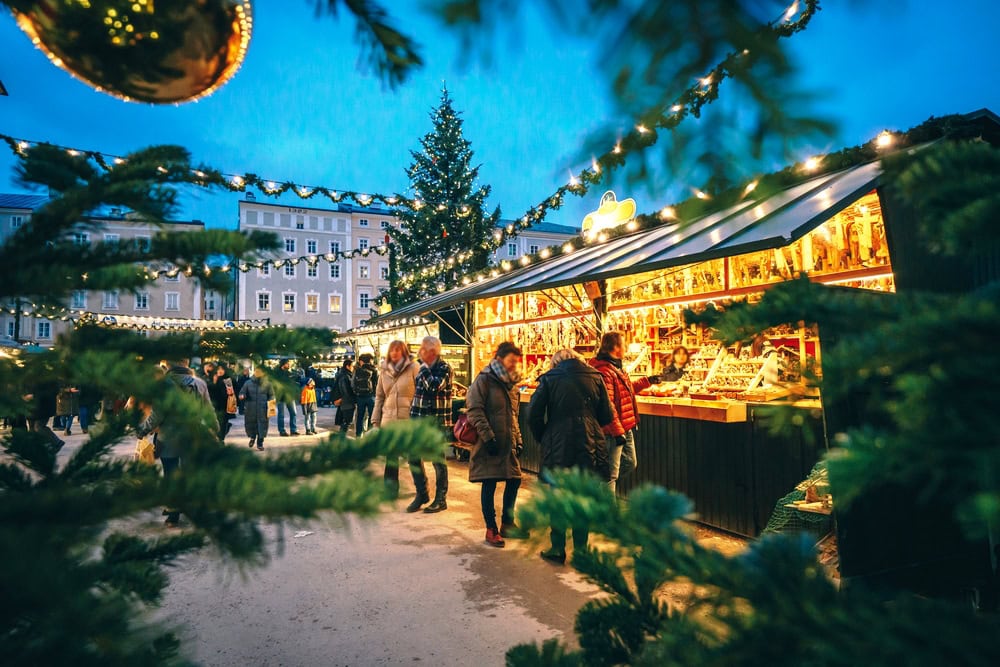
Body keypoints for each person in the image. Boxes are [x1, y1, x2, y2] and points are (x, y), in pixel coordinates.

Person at [528, 348, 614, 564]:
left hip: (558, 443)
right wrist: (590, 426)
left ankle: (557, 548)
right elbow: (607, 415)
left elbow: (532, 414)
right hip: (590, 443)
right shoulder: (595, 377)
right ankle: (582, 552)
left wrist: (544, 435)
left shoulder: (550, 379)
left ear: (555, 362)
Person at [137, 358, 212, 527]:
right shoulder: (198, 383)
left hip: (168, 437)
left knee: (171, 473)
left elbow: (158, 414)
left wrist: (143, 429)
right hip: (191, 434)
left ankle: (174, 513)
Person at [466, 342, 525, 548]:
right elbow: (474, 409)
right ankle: (491, 529)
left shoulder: (512, 385)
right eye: (511, 361)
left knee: (515, 480)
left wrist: (518, 439)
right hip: (489, 442)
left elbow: (513, 415)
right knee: (489, 482)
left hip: (508, 442)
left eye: (516, 362)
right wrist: (488, 437)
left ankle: (507, 523)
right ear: (499, 359)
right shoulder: (484, 379)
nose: (513, 365)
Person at [590, 332, 661, 495]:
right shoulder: (604, 371)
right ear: (615, 347)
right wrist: (617, 432)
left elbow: (625, 390)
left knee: (629, 462)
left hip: (624, 426)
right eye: (624, 344)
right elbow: (607, 405)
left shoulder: (616, 367)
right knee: (610, 474)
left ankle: (598, 486)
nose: (626, 347)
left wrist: (648, 381)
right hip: (612, 431)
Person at [407, 336, 453, 514]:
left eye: (422, 349)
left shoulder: (444, 368)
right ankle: (422, 493)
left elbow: (434, 386)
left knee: (437, 460)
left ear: (432, 351)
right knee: (413, 456)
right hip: (418, 420)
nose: (419, 352)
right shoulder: (421, 368)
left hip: (436, 422)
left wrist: (424, 367)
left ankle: (441, 499)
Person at [372, 341, 418, 498]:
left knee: (414, 457)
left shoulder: (414, 367)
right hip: (389, 419)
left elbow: (420, 394)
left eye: (398, 350)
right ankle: (390, 490)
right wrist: (375, 420)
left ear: (404, 351)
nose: (394, 353)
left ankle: (422, 490)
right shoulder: (384, 371)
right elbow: (379, 397)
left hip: (409, 420)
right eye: (392, 350)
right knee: (391, 457)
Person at [239, 366, 275, 451]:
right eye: (256, 371)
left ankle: (260, 443)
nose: (258, 373)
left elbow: (271, 395)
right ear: (254, 372)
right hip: (250, 408)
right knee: (251, 424)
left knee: (262, 425)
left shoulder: (268, 384)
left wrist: (271, 402)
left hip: (263, 408)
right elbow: (242, 392)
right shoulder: (248, 383)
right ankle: (252, 438)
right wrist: (242, 396)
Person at [352, 353, 378, 437]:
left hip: (360, 397)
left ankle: (358, 435)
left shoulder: (357, 370)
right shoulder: (374, 370)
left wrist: (356, 393)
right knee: (372, 416)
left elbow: (353, 384)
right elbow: (377, 383)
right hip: (371, 396)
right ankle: (370, 435)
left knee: (360, 417)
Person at [274, 359, 300, 437]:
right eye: (287, 364)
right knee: (281, 414)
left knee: (293, 413)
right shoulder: (277, 373)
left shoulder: (289, 373)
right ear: (283, 364)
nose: (289, 365)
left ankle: (293, 430)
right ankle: (282, 431)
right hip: (280, 396)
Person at [207, 363, 234, 440]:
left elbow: (230, 395)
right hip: (214, 406)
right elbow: (210, 392)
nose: (220, 371)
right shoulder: (212, 378)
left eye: (222, 369)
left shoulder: (227, 380)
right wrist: (214, 382)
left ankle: (221, 438)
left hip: (224, 406)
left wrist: (231, 408)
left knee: (223, 424)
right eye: (218, 369)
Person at [335, 358, 356, 434]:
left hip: (345, 401)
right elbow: (346, 390)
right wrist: (352, 399)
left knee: (346, 422)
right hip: (347, 402)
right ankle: (341, 439)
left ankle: (341, 438)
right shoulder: (345, 376)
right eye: (352, 366)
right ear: (348, 366)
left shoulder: (343, 375)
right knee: (347, 422)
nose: (353, 368)